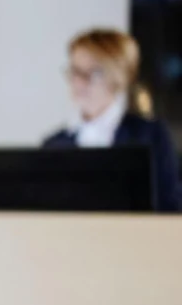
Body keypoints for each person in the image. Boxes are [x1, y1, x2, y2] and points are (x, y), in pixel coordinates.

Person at [43, 28, 181, 212]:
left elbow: (169, 206)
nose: (80, 82)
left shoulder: (150, 135)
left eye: (93, 73)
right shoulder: (53, 144)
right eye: (75, 71)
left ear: (118, 77)